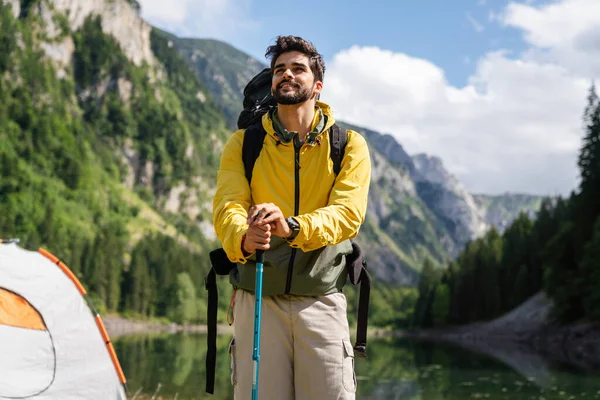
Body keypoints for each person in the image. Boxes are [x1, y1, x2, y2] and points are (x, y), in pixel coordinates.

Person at [212, 35, 372, 400]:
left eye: (298, 68)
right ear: (272, 82)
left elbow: (347, 214)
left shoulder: (348, 145)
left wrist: (293, 226)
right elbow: (228, 204)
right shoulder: (244, 144)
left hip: (322, 298)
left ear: (317, 85)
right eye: (279, 69)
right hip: (258, 300)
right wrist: (242, 236)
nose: (287, 74)